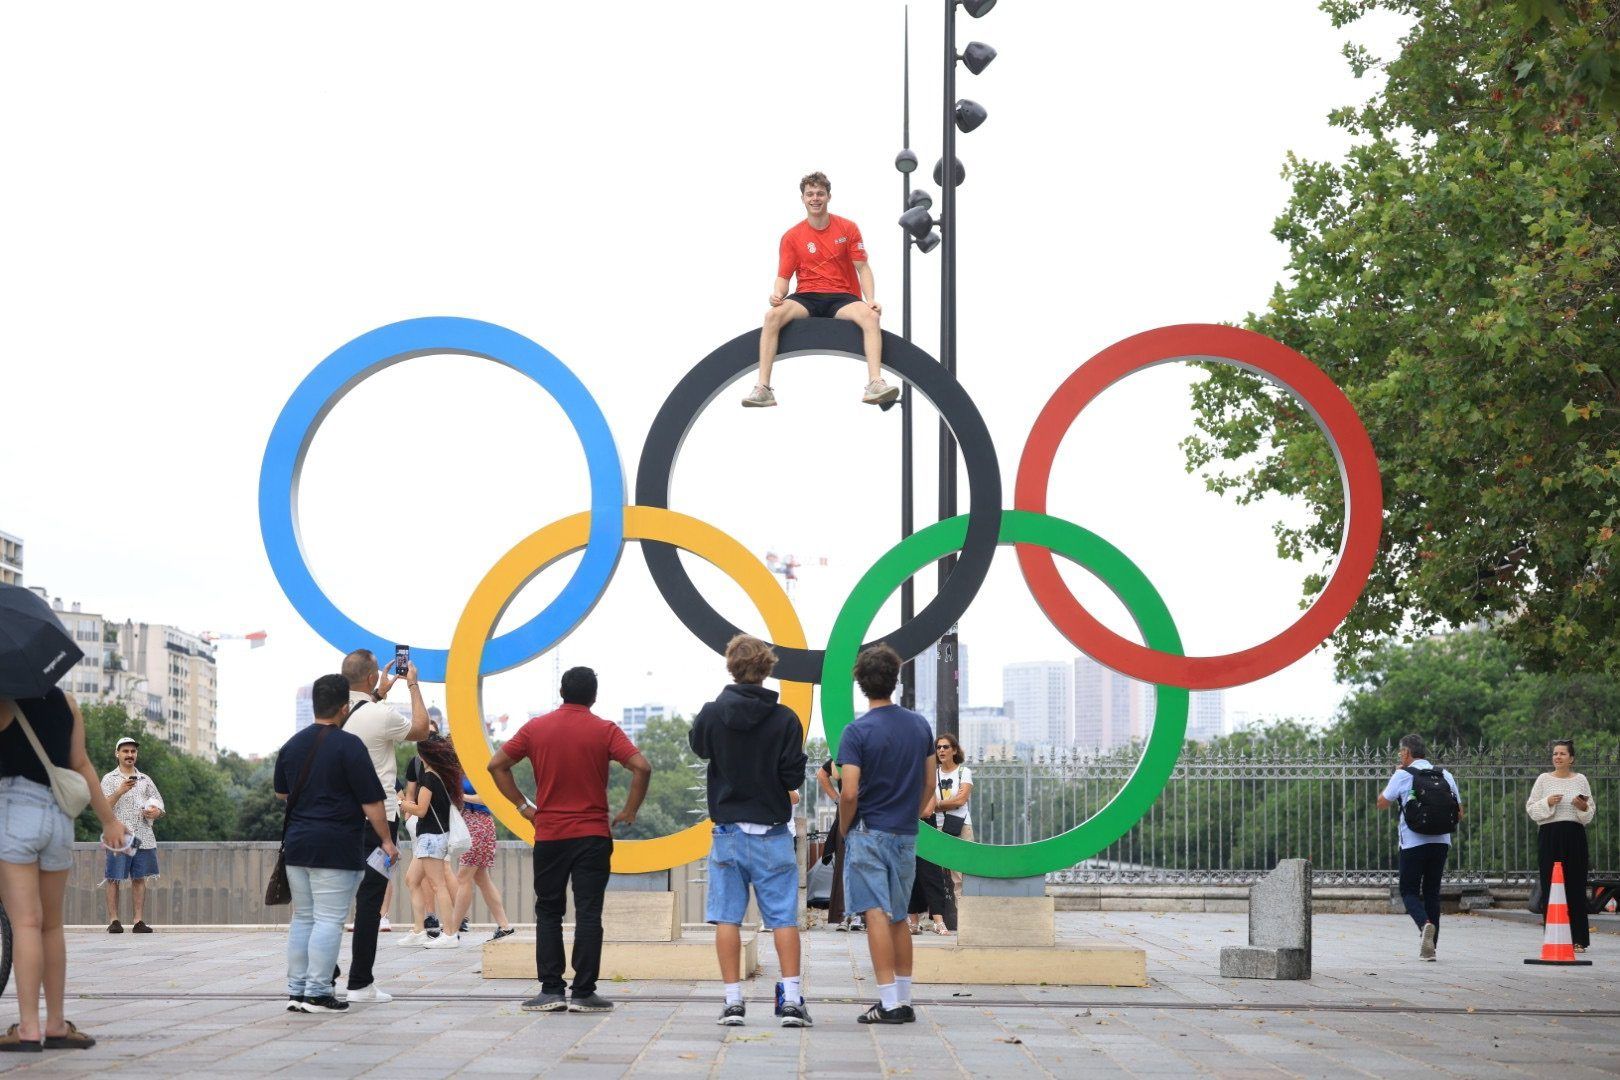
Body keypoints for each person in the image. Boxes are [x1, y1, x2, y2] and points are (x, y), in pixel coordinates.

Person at [487, 666, 653, 1014]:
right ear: (593, 696)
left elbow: (496, 764)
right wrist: (630, 810)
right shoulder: (604, 730)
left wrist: (522, 806)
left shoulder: (536, 728)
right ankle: (584, 992)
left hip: (550, 834)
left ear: (562, 692)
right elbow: (642, 766)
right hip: (593, 834)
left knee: (549, 910)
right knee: (589, 912)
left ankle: (550, 991)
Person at [688, 634, 811, 1027]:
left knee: (727, 918)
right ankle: (791, 1001)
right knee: (783, 919)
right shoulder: (786, 719)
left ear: (731, 665)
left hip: (727, 833)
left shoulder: (712, 712)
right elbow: (793, 775)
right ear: (767, 668)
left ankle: (732, 1002)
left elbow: (699, 747)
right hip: (771, 833)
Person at [0, 689, 128, 1052]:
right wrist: (109, 822)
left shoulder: (5, 701)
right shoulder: (67, 702)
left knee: (25, 922)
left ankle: (27, 1029)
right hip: (59, 815)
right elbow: (82, 763)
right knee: (51, 925)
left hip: (15, 812)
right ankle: (56, 1025)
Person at [275, 674, 399, 1013]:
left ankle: (297, 991)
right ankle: (317, 992)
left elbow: (281, 792)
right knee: (329, 919)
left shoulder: (292, 745)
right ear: (344, 708)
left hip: (297, 845)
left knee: (304, 918)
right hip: (336, 845)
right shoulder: (349, 745)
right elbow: (372, 802)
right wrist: (386, 840)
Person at [837, 643, 936, 1024]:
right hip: (905, 832)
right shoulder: (919, 725)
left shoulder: (856, 732)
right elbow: (929, 782)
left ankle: (888, 1003)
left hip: (868, 830)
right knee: (898, 916)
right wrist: (910, 813)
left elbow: (848, 791)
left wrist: (846, 827)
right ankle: (905, 999)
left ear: (861, 683)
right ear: (895, 680)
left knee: (875, 915)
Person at [743, 171, 895, 409]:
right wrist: (777, 294)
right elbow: (783, 277)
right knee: (772, 316)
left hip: (841, 297)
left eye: (820, 193)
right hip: (807, 297)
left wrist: (871, 299)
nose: (815, 198)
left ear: (829, 196)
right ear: (803, 198)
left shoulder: (848, 228)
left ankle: (875, 383)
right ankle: (763, 388)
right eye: (810, 194)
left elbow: (863, 267)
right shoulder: (792, 236)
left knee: (871, 316)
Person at [339, 649, 432, 1003]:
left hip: (338, 821)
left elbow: (361, 712)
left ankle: (320, 978)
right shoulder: (380, 715)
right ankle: (360, 983)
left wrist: (377, 693)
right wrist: (412, 686)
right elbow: (422, 729)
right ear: (370, 677)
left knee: (331, 899)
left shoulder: (334, 712)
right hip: (379, 826)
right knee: (370, 899)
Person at [1376, 733, 1463, 961]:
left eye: (1400, 752)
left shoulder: (1403, 775)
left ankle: (1424, 924)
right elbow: (1460, 812)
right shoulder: (1445, 774)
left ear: (1406, 753)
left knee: (1409, 891)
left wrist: (1396, 776)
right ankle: (1430, 948)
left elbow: (1382, 802)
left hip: (1413, 842)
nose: (1399, 756)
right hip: (1441, 842)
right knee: (1433, 892)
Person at [1526, 739, 1597, 953]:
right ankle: (1553, 935)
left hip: (1574, 835)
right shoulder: (1543, 779)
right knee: (1550, 886)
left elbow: (1589, 811)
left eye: (1562, 754)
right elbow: (1531, 808)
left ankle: (1579, 939)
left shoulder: (1581, 780)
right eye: (1555, 753)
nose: (1557, 757)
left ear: (1571, 758)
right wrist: (1548, 802)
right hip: (1550, 835)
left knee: (1575, 886)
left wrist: (1582, 805)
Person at [398, 737, 465, 949]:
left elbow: (421, 810)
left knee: (438, 885)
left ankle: (449, 934)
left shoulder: (428, 778)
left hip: (431, 837)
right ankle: (419, 930)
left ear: (425, 755)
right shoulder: (441, 776)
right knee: (412, 880)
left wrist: (402, 803)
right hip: (431, 836)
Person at [99, 736, 165, 933]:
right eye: (125, 751)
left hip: (143, 835)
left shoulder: (145, 779)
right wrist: (119, 791)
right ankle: (114, 920)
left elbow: (160, 804)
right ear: (117, 754)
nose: (129, 755)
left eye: (132, 751)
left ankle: (138, 921)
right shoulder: (109, 779)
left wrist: (156, 812)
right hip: (119, 835)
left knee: (139, 878)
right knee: (114, 877)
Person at [446, 773, 516, 943]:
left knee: (463, 877)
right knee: (481, 878)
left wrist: (461, 796)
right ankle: (504, 926)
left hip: (478, 825)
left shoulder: (478, 770)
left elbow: (487, 798)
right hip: (470, 824)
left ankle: (452, 932)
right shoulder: (457, 771)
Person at [816, 758, 862, 932]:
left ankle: (858, 914)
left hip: (865, 812)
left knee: (862, 864)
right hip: (848, 812)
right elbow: (825, 774)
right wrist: (837, 799)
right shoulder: (841, 752)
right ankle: (846, 914)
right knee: (846, 863)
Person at [933, 733, 973, 894]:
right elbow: (929, 805)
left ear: (954, 750)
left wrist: (939, 804)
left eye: (946, 747)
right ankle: (942, 914)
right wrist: (947, 803)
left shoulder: (964, 772)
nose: (941, 750)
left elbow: (960, 801)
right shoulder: (933, 774)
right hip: (938, 827)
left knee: (961, 872)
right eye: (938, 747)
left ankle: (962, 912)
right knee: (939, 872)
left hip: (960, 825)